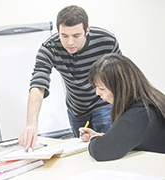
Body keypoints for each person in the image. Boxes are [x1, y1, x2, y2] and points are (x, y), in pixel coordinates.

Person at [19, 5, 121, 151]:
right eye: (64, 36)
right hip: (77, 108)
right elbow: (38, 85)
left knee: (108, 149)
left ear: (87, 31)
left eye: (76, 36)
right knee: (80, 151)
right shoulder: (49, 48)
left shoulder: (106, 40)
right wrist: (31, 124)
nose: (70, 42)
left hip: (104, 105)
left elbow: (121, 78)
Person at [79, 53, 165, 161]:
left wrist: (95, 139)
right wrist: (101, 137)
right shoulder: (149, 99)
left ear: (119, 88)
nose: (97, 93)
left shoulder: (140, 113)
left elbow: (102, 151)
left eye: (101, 88)